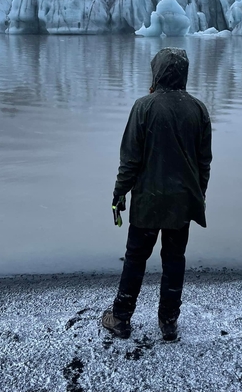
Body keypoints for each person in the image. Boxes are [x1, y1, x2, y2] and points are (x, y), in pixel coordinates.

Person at [102, 47, 212, 341]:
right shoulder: (198, 109)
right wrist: (198, 195)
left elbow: (130, 160)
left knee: (136, 258)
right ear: (183, 73)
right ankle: (168, 322)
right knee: (174, 259)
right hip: (182, 202)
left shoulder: (144, 107)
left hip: (148, 201)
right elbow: (204, 163)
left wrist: (119, 193)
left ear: (157, 72)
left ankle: (121, 319)